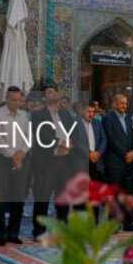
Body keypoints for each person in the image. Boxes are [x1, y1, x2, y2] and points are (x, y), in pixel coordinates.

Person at [31, 84, 88, 236]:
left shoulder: (66, 114)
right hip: (47, 161)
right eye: (49, 92)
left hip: (65, 162)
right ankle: (39, 230)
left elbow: (74, 133)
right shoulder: (38, 115)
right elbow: (41, 134)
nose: (53, 93)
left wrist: (69, 145)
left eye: (55, 91)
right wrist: (59, 143)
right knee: (42, 198)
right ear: (43, 98)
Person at [0, 85, 32, 245]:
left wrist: (21, 153)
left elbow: (28, 137)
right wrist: (13, 155)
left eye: (19, 100)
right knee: (0, 199)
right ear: (6, 99)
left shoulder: (24, 115)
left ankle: (13, 233)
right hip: (2, 161)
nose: (16, 103)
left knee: (18, 197)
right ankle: (1, 235)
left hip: (21, 160)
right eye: (13, 100)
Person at [101, 93, 133, 199]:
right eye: (122, 103)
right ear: (114, 104)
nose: (124, 106)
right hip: (115, 163)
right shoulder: (107, 119)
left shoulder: (129, 119)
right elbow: (112, 140)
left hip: (129, 163)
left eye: (126, 104)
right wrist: (126, 154)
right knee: (114, 196)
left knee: (128, 194)